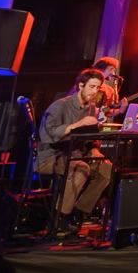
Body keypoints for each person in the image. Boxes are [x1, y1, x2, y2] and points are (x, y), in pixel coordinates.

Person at [36, 69, 113, 234]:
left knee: (106, 168)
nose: (95, 91)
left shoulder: (91, 108)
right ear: (81, 85)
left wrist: (94, 148)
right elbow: (49, 134)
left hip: (75, 154)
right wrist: (78, 124)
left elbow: (89, 136)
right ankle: (59, 218)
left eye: (97, 87)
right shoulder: (60, 105)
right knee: (81, 168)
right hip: (50, 156)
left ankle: (79, 212)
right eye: (91, 87)